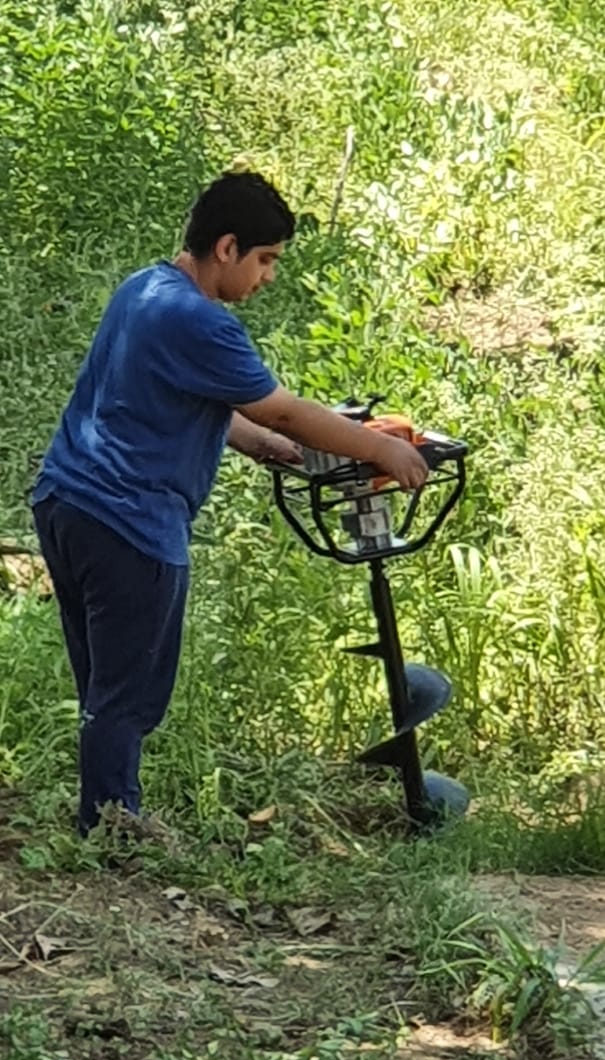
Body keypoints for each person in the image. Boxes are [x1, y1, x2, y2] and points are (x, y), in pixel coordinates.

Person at [32, 170, 428, 837]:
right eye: (265, 259)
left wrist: (256, 443)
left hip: (66, 503)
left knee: (104, 685)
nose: (268, 277)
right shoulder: (202, 322)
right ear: (226, 247)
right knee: (130, 693)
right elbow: (284, 409)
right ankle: (111, 827)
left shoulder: (144, 289)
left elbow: (178, 395)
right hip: (130, 521)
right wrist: (379, 448)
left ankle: (103, 814)